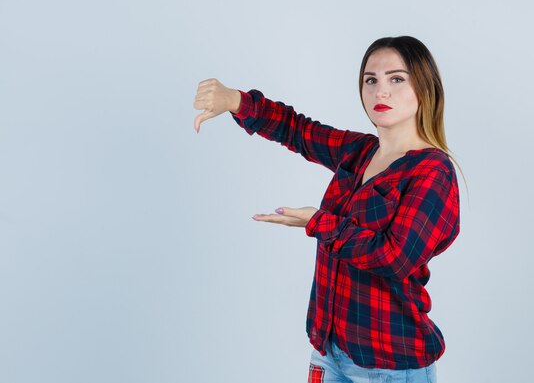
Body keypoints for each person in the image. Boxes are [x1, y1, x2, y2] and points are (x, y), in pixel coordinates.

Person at [193, 36, 462, 383]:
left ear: (424, 88)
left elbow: (393, 258)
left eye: (396, 79)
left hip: (390, 368)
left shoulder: (432, 171)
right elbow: (299, 130)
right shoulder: (361, 151)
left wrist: (320, 223)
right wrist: (236, 101)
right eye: (371, 80)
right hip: (329, 355)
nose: (381, 91)